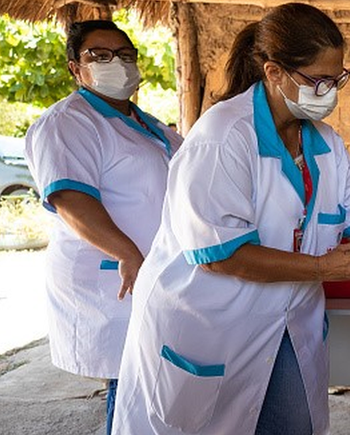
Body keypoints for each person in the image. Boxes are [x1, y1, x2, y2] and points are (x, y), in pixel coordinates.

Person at [112, 3, 350, 434]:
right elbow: (221, 255)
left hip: (288, 325)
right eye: (318, 80)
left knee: (293, 423)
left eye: (337, 78)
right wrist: (321, 268)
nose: (329, 90)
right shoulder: (223, 138)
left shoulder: (325, 144)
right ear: (274, 73)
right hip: (209, 324)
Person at [23, 20, 182, 434]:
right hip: (114, 278)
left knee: (154, 386)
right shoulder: (67, 122)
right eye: (101, 56)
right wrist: (126, 252)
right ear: (76, 68)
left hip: (155, 275)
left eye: (125, 55)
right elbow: (71, 200)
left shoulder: (153, 126)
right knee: (130, 385)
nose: (118, 63)